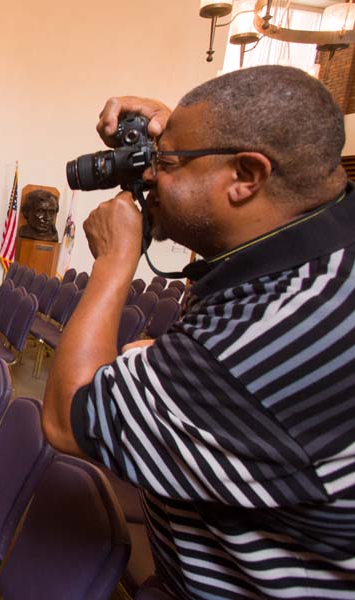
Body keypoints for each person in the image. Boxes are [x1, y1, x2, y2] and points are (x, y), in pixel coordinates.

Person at [42, 65, 355, 600]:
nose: (147, 177)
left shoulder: (264, 340)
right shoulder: (319, 247)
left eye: (163, 163)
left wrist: (116, 263)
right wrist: (193, 145)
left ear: (246, 176)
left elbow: (68, 418)